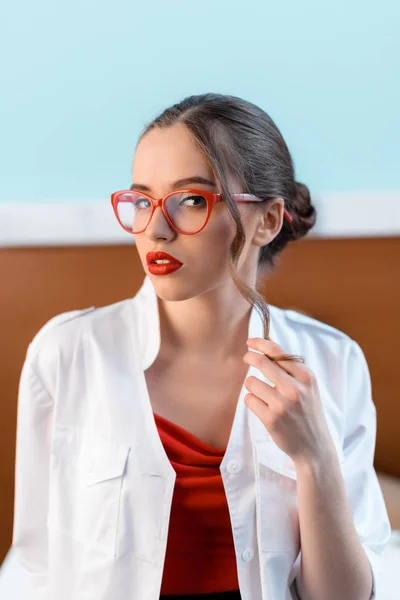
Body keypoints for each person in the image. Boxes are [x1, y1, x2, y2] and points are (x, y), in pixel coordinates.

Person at [12, 93, 391, 600]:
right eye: (142, 201)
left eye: (191, 200)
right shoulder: (68, 354)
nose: (157, 230)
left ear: (268, 220)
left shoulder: (334, 363)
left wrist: (314, 458)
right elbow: (35, 567)